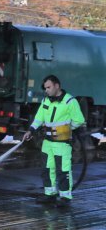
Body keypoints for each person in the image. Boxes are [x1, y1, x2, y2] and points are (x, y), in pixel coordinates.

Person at [22, 75, 86, 205]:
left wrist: (67, 129)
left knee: (63, 170)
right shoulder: (46, 100)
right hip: (47, 142)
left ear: (57, 86)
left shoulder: (69, 101)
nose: (46, 90)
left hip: (62, 143)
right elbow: (39, 118)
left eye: (49, 87)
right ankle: (49, 194)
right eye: (45, 88)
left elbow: (79, 120)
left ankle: (65, 197)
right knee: (47, 169)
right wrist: (31, 130)